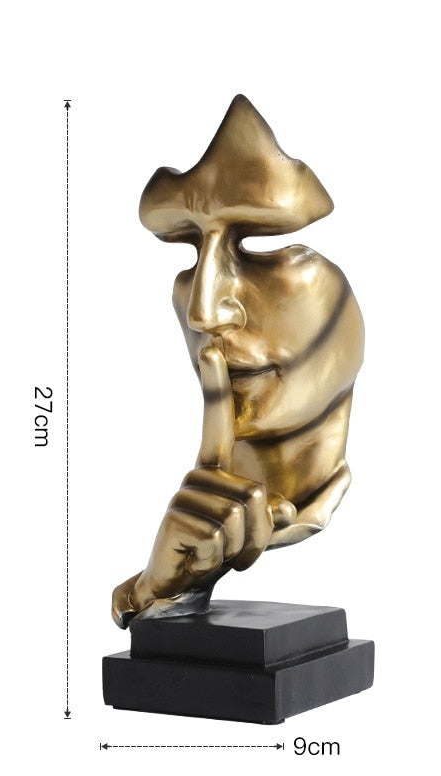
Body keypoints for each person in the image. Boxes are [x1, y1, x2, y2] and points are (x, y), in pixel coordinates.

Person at [112, 96, 364, 628]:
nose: (205, 313)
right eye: (189, 249)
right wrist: (165, 586)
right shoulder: (205, 523)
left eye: (263, 248)